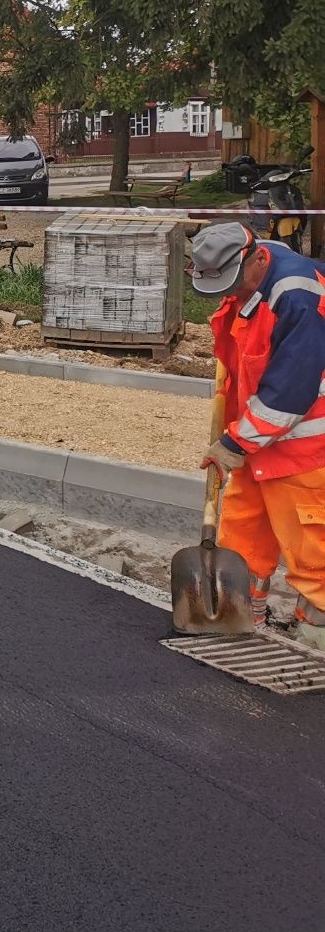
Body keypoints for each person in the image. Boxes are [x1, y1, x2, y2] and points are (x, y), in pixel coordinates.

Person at [191, 222, 325, 647]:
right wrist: (236, 434)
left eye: (234, 284)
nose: (231, 294)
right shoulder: (249, 285)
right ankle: (246, 615)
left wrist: (235, 442)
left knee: (313, 548)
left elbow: (289, 391)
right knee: (243, 532)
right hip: (258, 443)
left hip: (305, 450)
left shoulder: (298, 295)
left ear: (259, 259)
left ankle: (314, 632)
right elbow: (245, 367)